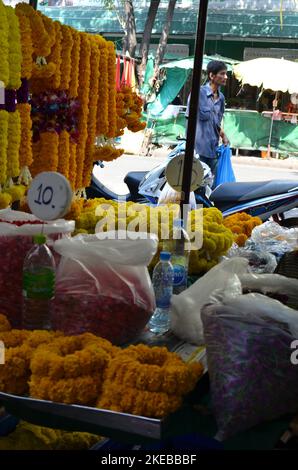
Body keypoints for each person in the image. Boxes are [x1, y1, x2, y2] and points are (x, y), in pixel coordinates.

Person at [186, 60, 229, 182]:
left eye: (226, 74)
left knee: (209, 187)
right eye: (222, 73)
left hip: (213, 151)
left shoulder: (221, 98)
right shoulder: (198, 93)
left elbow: (216, 123)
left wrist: (224, 136)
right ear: (211, 75)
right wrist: (190, 149)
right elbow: (189, 120)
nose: (225, 77)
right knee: (194, 185)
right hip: (198, 151)